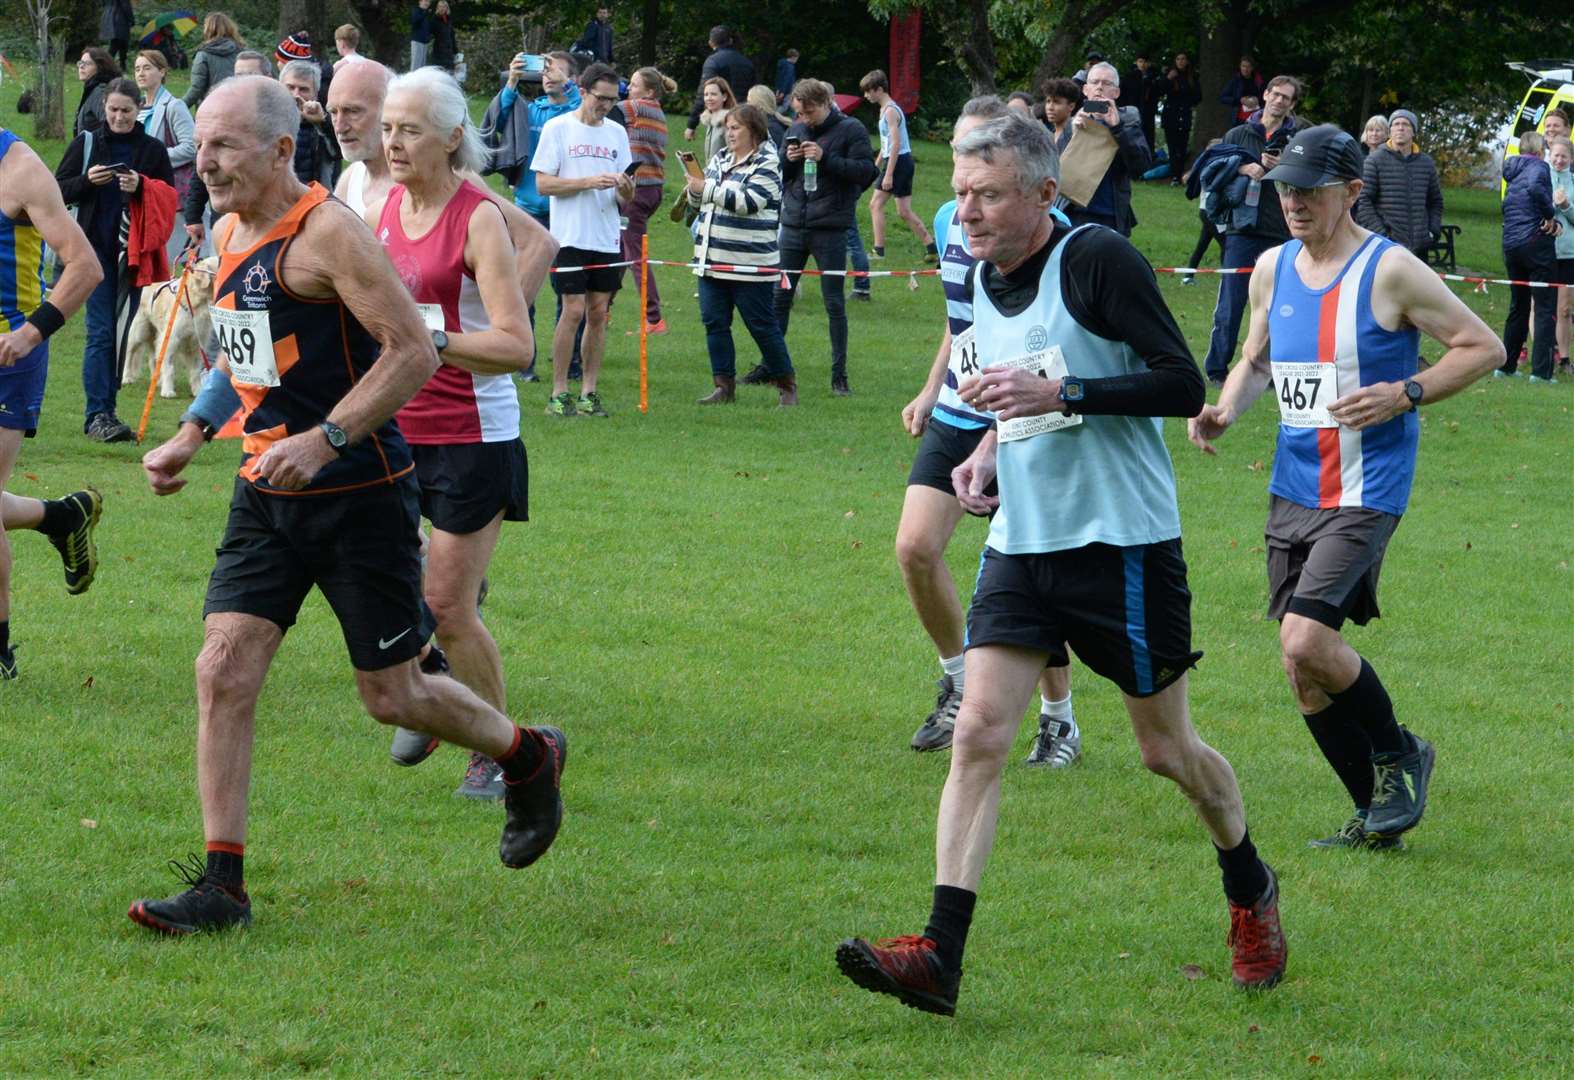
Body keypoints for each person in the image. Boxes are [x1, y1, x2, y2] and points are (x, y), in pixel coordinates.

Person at [836, 111, 1287, 1017]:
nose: (969, 211)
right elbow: (1020, 392)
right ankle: (939, 953)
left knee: (1167, 751)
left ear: (1044, 192)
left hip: (1122, 546)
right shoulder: (977, 271)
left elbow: (1179, 383)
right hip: (1022, 545)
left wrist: (1064, 393)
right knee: (978, 734)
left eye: (990, 194)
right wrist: (990, 451)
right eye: (961, 193)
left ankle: (1249, 887)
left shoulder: (1096, 260)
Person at [128, 76, 567, 936]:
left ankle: (526, 752)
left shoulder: (331, 234)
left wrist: (325, 439)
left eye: (222, 146)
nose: (202, 162)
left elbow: (411, 351)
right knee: (222, 669)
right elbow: (243, 351)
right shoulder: (228, 229)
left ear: (282, 150)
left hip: (359, 489)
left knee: (393, 695)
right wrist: (190, 431)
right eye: (201, 144)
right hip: (265, 489)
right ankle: (224, 885)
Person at [1187, 124, 1503, 850]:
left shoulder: (1391, 270)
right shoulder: (1271, 266)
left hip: (1368, 483)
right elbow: (1256, 358)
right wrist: (1226, 408)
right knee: (1302, 673)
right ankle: (1375, 815)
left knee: (1305, 640)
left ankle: (1399, 752)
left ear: (1352, 192)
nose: (1293, 202)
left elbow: (1484, 346)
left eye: (1309, 191)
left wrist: (1407, 392)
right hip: (1294, 483)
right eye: (1286, 190)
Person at [363, 68, 534, 801]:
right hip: (395, 427)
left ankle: (504, 751)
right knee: (387, 579)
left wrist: (428, 339)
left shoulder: (480, 217)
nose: (392, 142)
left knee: (453, 607)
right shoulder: (382, 208)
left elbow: (515, 346)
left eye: (409, 129)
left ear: (452, 138)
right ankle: (435, 689)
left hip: (474, 435)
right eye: (388, 128)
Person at [896, 96, 1081, 764]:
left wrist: (1012, 420)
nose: (969, 189)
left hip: (1024, 408)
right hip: (958, 405)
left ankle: (1058, 718)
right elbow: (960, 319)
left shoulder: (1047, 229)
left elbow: (1057, 333)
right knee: (916, 548)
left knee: (1031, 572)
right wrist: (928, 387)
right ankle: (958, 683)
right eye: (960, 167)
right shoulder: (949, 218)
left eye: (983, 171)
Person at [0, 126, 106, 680]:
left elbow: (85, 265)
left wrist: (30, 335)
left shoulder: (18, 167)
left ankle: (0, 654)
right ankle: (62, 516)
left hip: (8, 358)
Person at [54, 77, 174, 443]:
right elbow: (57, 190)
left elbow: (169, 198)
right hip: (91, 254)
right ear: (104, 108)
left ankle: (107, 411)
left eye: (126, 110)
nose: (119, 117)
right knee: (102, 331)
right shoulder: (88, 142)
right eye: (113, 110)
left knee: (120, 333)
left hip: (132, 256)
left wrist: (142, 187)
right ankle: (97, 415)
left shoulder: (152, 150)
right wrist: (88, 181)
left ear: (140, 110)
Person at [532, 62, 633, 418]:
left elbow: (627, 196)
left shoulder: (617, 133)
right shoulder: (558, 128)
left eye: (612, 99)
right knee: (572, 309)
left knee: (598, 313)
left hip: (605, 237)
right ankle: (559, 392)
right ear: (583, 90)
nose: (605, 105)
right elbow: (543, 184)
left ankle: (589, 392)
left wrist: (625, 188)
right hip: (568, 236)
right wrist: (587, 182)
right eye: (600, 98)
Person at [769, 78, 877, 396]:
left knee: (834, 303)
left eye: (808, 112)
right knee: (779, 298)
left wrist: (825, 159)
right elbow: (778, 174)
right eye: (798, 113)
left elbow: (866, 173)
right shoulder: (796, 129)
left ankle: (839, 376)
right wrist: (787, 162)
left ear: (826, 104)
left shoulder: (851, 129)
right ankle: (772, 367)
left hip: (830, 228)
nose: (803, 119)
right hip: (792, 225)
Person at [687, 103, 794, 406]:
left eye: (736, 128)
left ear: (755, 131)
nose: (730, 134)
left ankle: (786, 385)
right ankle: (724, 386)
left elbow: (750, 201)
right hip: (711, 260)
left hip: (750, 265)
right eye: (727, 128)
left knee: (761, 326)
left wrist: (705, 189)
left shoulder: (768, 163)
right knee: (714, 323)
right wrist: (695, 192)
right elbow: (702, 204)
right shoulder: (719, 159)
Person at [1201, 75, 1301, 385]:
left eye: (1287, 97)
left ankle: (1271, 373)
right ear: (1265, 94)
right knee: (1231, 303)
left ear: (1292, 104)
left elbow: (1308, 178)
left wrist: (1281, 166)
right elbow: (1211, 171)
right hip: (1242, 229)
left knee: (1280, 308)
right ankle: (1217, 369)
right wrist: (1245, 168)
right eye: (1276, 94)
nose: (1280, 100)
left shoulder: (1299, 139)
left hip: (1282, 230)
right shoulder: (1237, 133)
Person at [487, 50, 580, 382]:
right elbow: (495, 122)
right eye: (544, 69)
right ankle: (523, 363)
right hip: (527, 212)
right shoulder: (532, 110)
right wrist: (512, 80)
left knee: (568, 293)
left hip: (566, 212)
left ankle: (570, 363)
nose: (547, 74)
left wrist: (569, 86)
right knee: (521, 291)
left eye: (555, 70)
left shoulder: (578, 113)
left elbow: (585, 106)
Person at [1495, 131, 1560, 383]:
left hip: (1511, 245)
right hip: (1535, 243)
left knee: (1518, 305)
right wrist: (1549, 213)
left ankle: (1506, 365)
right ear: (1540, 148)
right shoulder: (1539, 167)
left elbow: (1506, 206)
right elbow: (1535, 188)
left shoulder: (1512, 170)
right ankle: (1541, 373)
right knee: (1544, 307)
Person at [1061, 62, 1150, 236]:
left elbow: (1141, 167)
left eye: (1106, 83)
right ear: (1085, 90)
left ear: (1116, 92)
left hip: (1109, 214)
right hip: (1072, 212)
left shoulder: (1128, 122)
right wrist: (1072, 134)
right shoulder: (1072, 122)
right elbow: (1053, 168)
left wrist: (1117, 129)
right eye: (1095, 82)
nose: (1099, 88)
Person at [861, 69, 938, 262]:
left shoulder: (890, 112)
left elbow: (896, 144)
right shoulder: (884, 110)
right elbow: (887, 143)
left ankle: (878, 252)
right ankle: (932, 246)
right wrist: (877, 165)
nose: (866, 96)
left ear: (879, 89)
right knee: (903, 211)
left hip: (900, 162)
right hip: (899, 161)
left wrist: (888, 175)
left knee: (875, 204)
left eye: (868, 91)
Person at [619, 67, 673, 334]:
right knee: (618, 247)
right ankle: (602, 307)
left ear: (649, 91)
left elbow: (599, 109)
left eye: (634, 84)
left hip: (636, 193)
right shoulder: (659, 112)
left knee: (636, 256)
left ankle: (654, 319)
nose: (629, 88)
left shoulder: (637, 108)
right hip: (653, 190)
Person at [133, 50, 197, 264]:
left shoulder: (174, 106)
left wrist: (156, 158)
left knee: (171, 258)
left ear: (162, 71)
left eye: (147, 68)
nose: (141, 73)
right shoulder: (135, 108)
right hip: (142, 189)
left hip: (170, 190)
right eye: (137, 68)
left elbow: (191, 147)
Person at [1355, 109, 1443, 259]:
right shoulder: (1375, 160)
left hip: (1420, 246)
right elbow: (1363, 200)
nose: (1400, 128)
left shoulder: (1426, 163)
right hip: (1385, 245)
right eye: (1396, 124)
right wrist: (1382, 234)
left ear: (1413, 131)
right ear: (1390, 131)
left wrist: (1432, 231)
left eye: (1406, 124)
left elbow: (1435, 201)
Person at [684, 26, 755, 142]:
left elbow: (704, 93)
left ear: (711, 43)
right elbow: (753, 92)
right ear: (731, 41)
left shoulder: (713, 61)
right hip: (743, 117)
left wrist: (691, 124)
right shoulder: (746, 62)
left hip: (721, 119)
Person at [280, 60, 337, 188]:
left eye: (303, 89)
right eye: (290, 87)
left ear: (315, 94)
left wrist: (322, 123)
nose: (296, 95)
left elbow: (339, 152)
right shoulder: (266, 120)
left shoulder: (321, 125)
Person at [1547, 135, 1574, 373]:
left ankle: (1565, 359)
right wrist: (1551, 204)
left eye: (1564, 156)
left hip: (1568, 252)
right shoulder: (1541, 177)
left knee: (1564, 308)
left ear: (1571, 159)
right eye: (1555, 155)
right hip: (1543, 250)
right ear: (1549, 155)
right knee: (1542, 305)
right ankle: (1544, 353)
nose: (1559, 160)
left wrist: (1566, 206)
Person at [184, 14, 244, 109]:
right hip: (240, 107)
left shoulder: (203, 55)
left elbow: (196, 89)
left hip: (211, 110)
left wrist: (178, 108)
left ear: (208, 30)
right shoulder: (244, 53)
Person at [1161, 51, 1200, 182]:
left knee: (1182, 147)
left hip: (1184, 115)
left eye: (1183, 59)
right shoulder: (1170, 75)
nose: (1181, 62)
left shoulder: (1192, 77)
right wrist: (1168, 79)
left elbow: (1198, 96)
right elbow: (1159, 90)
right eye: (1178, 59)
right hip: (1170, 115)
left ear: (1187, 61)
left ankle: (1179, 174)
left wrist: (1187, 101)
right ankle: (1174, 176)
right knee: (1172, 147)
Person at [74, 48, 121, 138]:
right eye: (81, 63)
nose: (81, 67)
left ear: (100, 67)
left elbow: (112, 126)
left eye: (87, 63)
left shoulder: (100, 91)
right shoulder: (92, 89)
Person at [1120, 52, 1159, 152]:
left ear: (1149, 63)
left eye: (1145, 62)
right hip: (1132, 113)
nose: (1142, 64)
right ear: (1136, 62)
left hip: (1148, 114)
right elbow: (1122, 95)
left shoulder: (1154, 78)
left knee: (1148, 141)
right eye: (1140, 61)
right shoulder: (1129, 77)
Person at [694, 77, 736, 167]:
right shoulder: (710, 122)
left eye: (713, 94)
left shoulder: (730, 123)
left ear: (724, 97)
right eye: (706, 95)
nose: (708, 98)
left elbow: (735, 155)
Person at [1219, 56, 1265, 124]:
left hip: (1256, 118)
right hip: (1239, 119)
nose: (1245, 69)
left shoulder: (1259, 80)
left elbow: (1266, 97)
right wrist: (1240, 100)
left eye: (1248, 67)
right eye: (1243, 66)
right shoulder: (1235, 80)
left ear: (1252, 68)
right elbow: (1222, 97)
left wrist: (1258, 100)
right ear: (1240, 67)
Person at [1041, 77, 1079, 153]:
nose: (1050, 107)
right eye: (1048, 101)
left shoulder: (1077, 133)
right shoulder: (1047, 136)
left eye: (1056, 102)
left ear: (1071, 106)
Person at [100, 0, 134, 68]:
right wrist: (131, 19)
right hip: (119, 19)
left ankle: (121, 65)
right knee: (118, 44)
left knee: (119, 44)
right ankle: (106, 65)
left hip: (109, 17)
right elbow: (126, 6)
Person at [429, 1, 457, 73]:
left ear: (447, 8)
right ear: (437, 8)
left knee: (450, 71)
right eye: (440, 6)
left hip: (449, 49)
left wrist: (455, 49)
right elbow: (430, 33)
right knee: (439, 71)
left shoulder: (449, 19)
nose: (442, 8)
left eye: (444, 6)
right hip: (439, 49)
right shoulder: (434, 19)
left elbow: (452, 35)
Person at [409, 0, 433, 71]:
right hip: (417, 41)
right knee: (416, 65)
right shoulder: (416, 10)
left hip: (425, 42)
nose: (427, 3)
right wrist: (425, 13)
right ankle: (412, 81)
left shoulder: (426, 13)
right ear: (420, 1)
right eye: (425, 1)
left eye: (428, 2)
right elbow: (415, 21)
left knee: (422, 67)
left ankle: (420, 82)